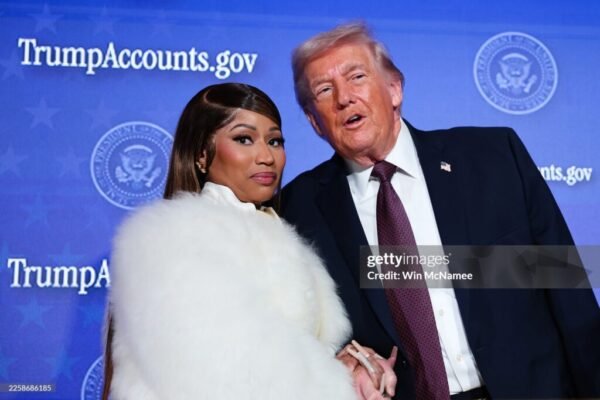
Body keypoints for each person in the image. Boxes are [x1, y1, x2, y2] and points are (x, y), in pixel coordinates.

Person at [281, 22, 600, 400]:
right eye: (324, 90)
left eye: (357, 77)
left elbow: (568, 293)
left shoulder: (494, 157)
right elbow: (305, 336)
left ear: (394, 89)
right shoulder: (301, 207)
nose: (344, 98)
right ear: (314, 121)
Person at [103, 83, 396, 400]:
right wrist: (338, 385)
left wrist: (351, 367)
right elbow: (230, 377)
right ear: (202, 154)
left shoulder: (284, 239)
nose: (266, 156)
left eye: (274, 141)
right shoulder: (171, 240)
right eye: (244, 139)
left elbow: (296, 359)